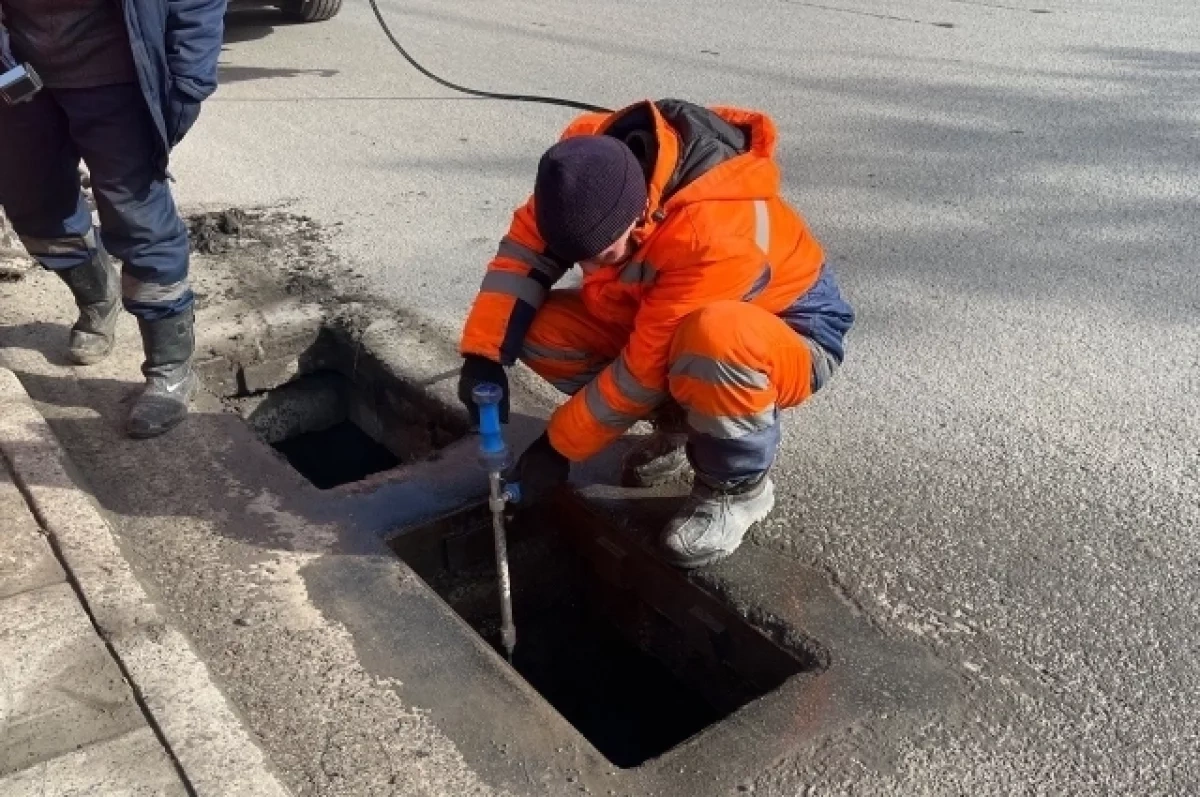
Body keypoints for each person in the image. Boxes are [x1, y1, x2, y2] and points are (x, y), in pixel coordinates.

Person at [457, 99, 855, 569]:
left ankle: (737, 489)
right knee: (535, 327)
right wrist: (484, 354)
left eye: (600, 256)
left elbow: (643, 371)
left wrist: (557, 446)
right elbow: (522, 258)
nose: (583, 270)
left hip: (785, 333)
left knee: (714, 341)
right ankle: (681, 427)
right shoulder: (579, 175)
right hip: (662, 316)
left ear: (641, 213)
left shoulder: (717, 234)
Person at [0, 0, 224, 438]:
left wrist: (189, 82)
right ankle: (99, 299)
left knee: (139, 221)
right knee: (34, 209)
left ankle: (171, 370)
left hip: (117, 80)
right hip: (17, 79)